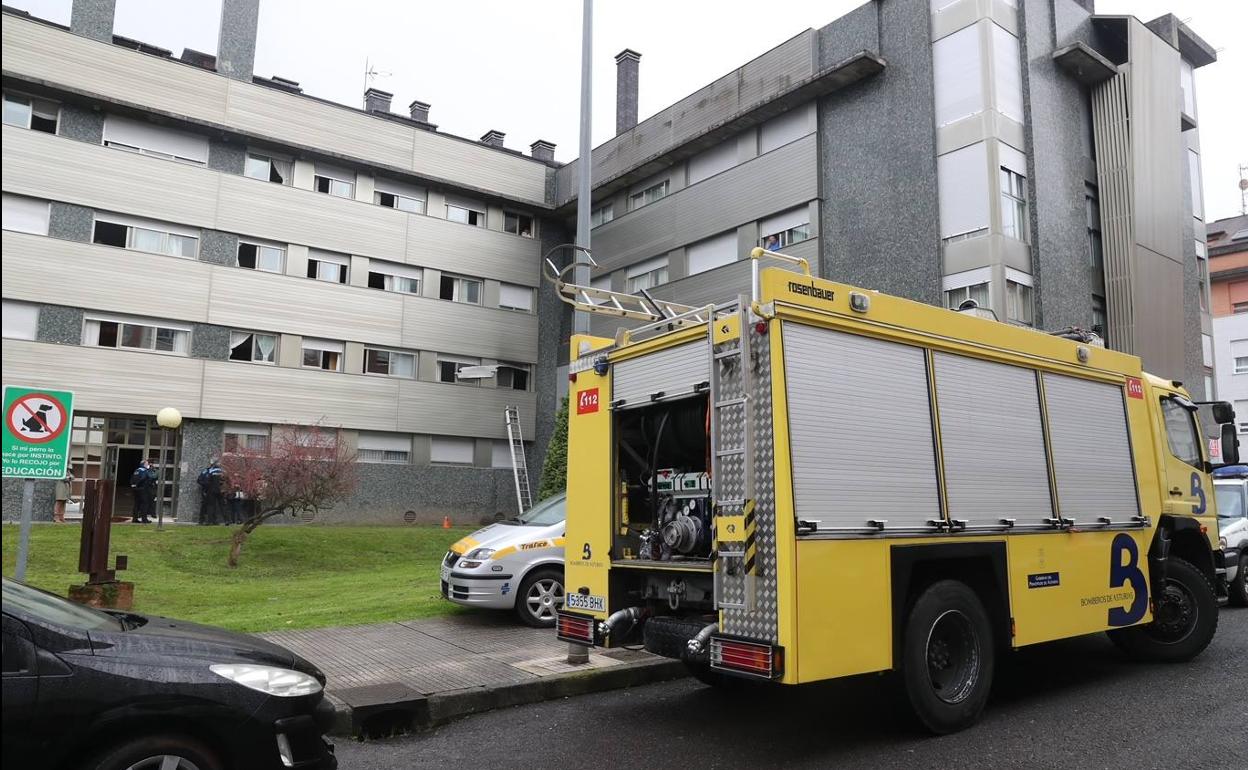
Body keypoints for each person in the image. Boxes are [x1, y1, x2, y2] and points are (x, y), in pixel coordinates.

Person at [197, 460, 226, 525]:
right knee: (205, 506)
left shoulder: (218, 471)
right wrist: (205, 485)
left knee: (213, 506)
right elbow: (199, 480)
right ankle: (202, 521)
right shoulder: (206, 471)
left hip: (212, 491)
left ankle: (213, 521)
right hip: (206, 491)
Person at [130, 459, 158, 523]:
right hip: (143, 489)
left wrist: (134, 485)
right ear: (144, 464)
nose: (148, 465)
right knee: (144, 504)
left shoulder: (137, 470)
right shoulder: (145, 471)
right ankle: (144, 519)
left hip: (136, 489)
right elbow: (151, 477)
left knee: (136, 504)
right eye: (147, 464)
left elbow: (132, 479)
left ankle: (135, 519)